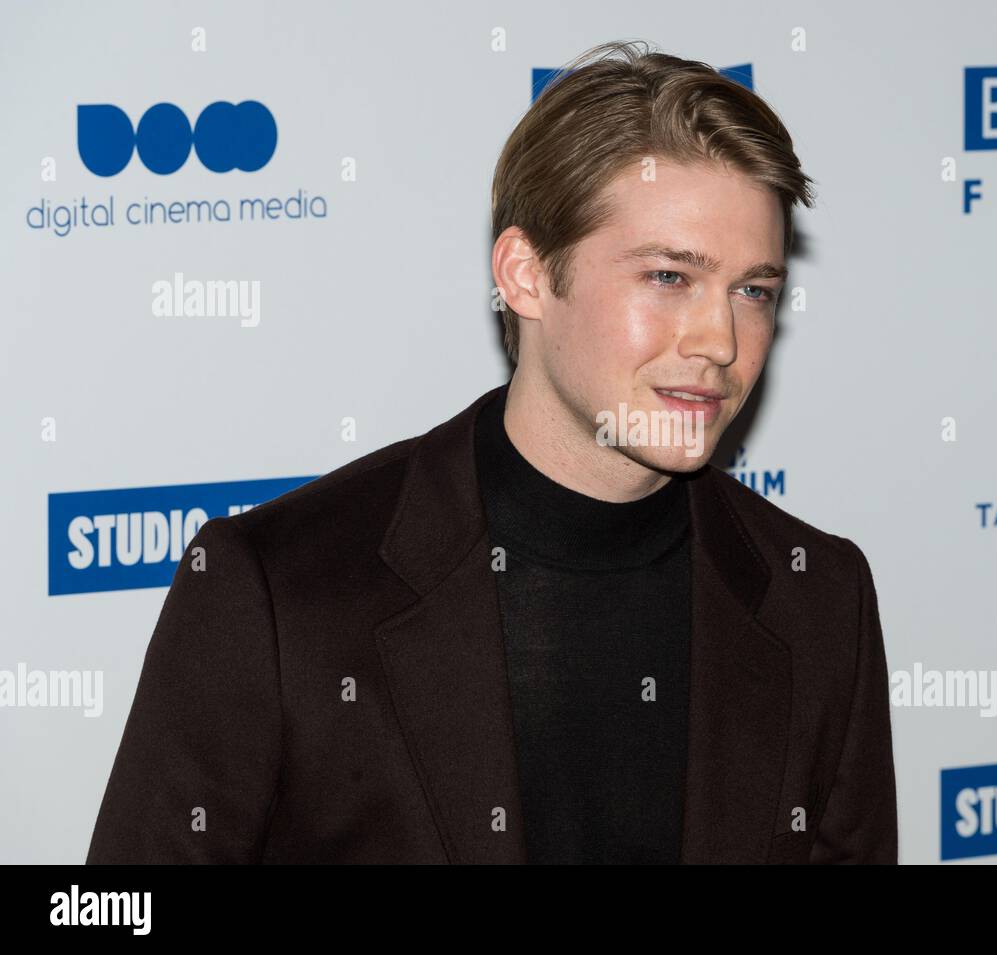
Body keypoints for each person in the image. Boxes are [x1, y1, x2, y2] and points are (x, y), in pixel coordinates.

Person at [86, 39, 897, 865]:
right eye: (668, 277)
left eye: (753, 290)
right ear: (525, 274)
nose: (721, 340)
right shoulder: (276, 591)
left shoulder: (819, 597)